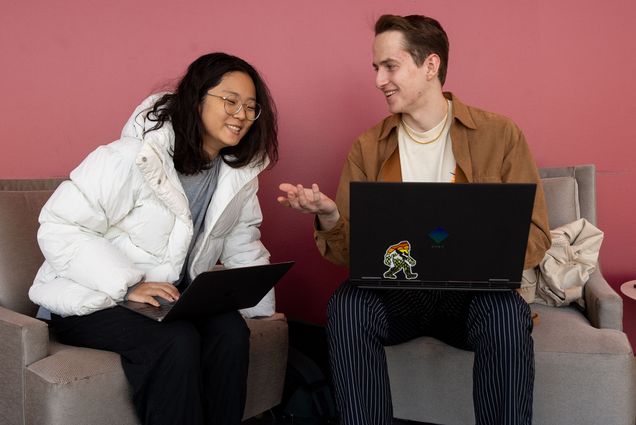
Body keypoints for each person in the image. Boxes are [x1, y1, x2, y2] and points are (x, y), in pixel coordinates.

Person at [278, 14, 551, 425]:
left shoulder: (500, 134)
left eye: (390, 66)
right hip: (399, 297)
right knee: (347, 304)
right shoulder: (368, 147)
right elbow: (349, 258)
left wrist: (481, 248)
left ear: (430, 65)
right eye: (376, 68)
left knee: (507, 313)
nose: (378, 80)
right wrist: (331, 216)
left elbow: (537, 236)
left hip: (470, 300)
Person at [28, 52, 280, 425]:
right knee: (176, 341)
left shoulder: (236, 178)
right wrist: (127, 284)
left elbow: (242, 241)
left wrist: (261, 308)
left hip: (166, 302)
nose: (241, 114)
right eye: (230, 100)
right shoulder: (131, 157)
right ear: (196, 99)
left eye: (250, 107)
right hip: (90, 298)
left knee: (230, 331)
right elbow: (59, 225)